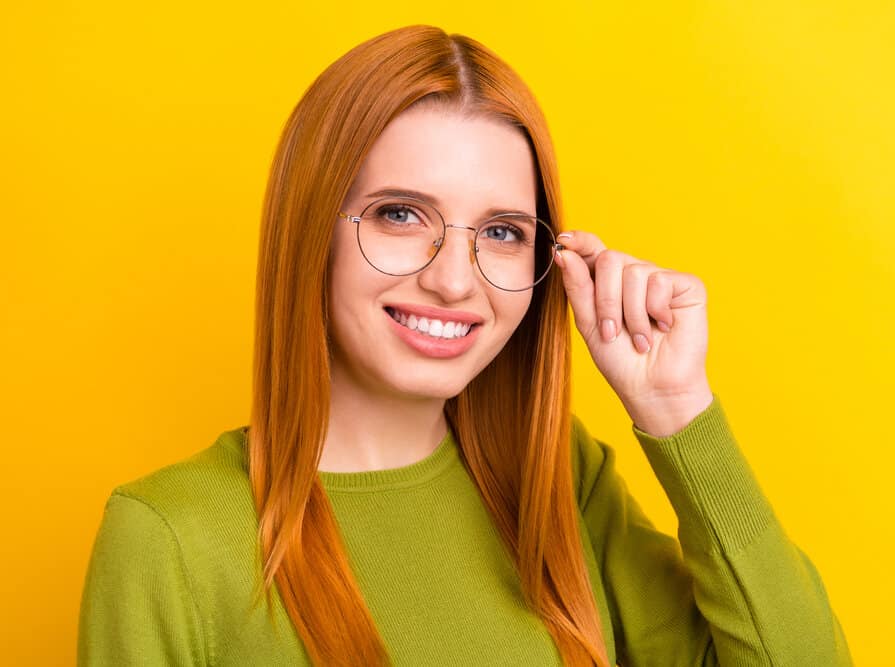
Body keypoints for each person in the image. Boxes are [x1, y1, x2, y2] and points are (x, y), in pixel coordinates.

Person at [77, 24, 853, 667]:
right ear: (312, 228)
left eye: (502, 232)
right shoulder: (172, 539)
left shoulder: (559, 487)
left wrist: (679, 410)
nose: (454, 280)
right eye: (400, 215)